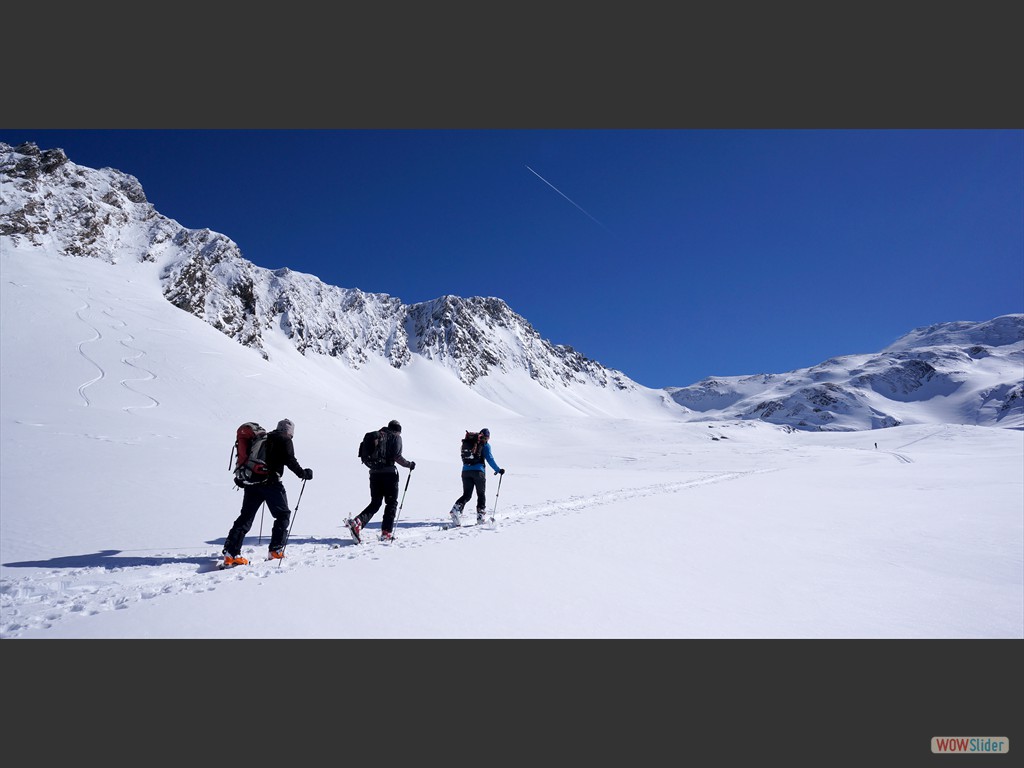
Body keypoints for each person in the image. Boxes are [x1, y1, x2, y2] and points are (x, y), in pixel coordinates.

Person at [222, 419, 313, 566]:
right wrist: (303, 473)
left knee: (245, 518)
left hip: (252, 484)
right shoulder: (285, 440)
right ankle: (275, 550)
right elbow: (290, 460)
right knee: (283, 515)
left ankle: (231, 553)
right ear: (289, 431)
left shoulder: (264, 437)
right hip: (271, 484)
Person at [347, 419, 415, 543]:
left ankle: (358, 522)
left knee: (375, 502)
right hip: (389, 474)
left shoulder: (378, 436)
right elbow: (397, 457)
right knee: (391, 503)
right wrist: (409, 465)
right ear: (398, 430)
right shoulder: (395, 437)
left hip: (374, 474)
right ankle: (386, 533)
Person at [450, 427, 505, 525]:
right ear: (487, 437)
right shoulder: (485, 445)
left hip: (465, 472)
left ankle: (456, 510)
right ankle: (480, 517)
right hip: (478, 472)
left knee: (466, 495)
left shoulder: (470, 442)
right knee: (481, 494)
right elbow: (490, 459)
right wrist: (498, 470)